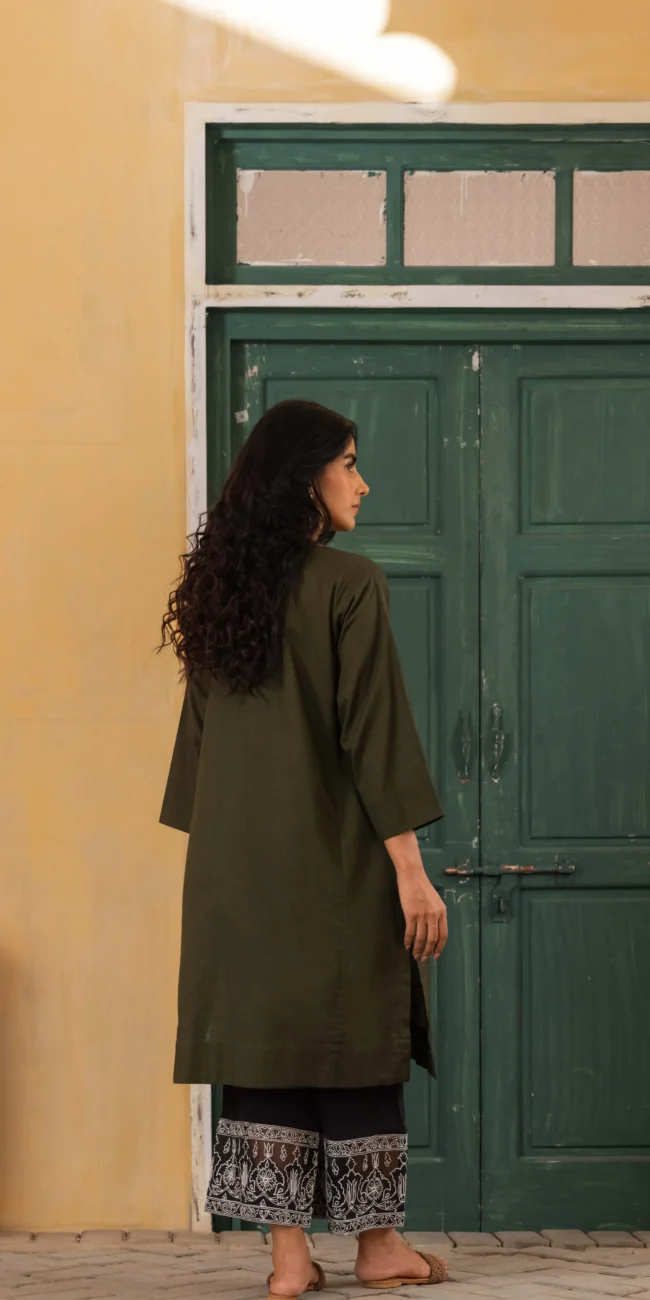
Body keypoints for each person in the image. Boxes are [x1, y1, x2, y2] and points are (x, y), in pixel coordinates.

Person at [157, 399, 449, 1297]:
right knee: (354, 1037)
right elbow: (376, 737)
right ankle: (378, 1247)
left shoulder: (218, 596)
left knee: (264, 1046)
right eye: (348, 463)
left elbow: (197, 765)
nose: (363, 483)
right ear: (305, 478)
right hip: (335, 867)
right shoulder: (350, 583)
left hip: (234, 876)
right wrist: (412, 874)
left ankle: (289, 1261)